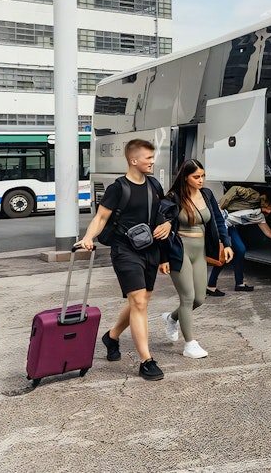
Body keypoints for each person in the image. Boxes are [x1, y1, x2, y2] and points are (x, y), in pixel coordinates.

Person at [78, 139, 172, 382]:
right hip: (125, 250)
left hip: (150, 249)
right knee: (139, 302)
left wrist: (167, 226)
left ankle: (111, 336)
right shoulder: (117, 188)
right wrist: (88, 237)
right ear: (134, 161)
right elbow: (101, 218)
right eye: (148, 158)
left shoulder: (154, 184)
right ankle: (146, 361)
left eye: (152, 158)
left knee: (139, 301)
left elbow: (162, 213)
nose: (152, 162)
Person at [160, 159, 233, 359]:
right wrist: (163, 258)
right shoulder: (172, 198)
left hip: (200, 251)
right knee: (187, 297)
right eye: (196, 177)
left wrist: (226, 244)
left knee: (199, 299)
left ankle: (172, 318)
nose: (201, 180)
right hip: (179, 250)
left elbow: (218, 220)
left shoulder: (207, 195)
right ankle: (190, 344)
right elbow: (164, 230)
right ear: (185, 178)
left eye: (203, 176)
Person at [206, 185, 271, 294]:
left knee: (240, 250)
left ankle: (239, 283)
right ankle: (211, 286)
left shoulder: (260, 217)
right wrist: (220, 206)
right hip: (220, 224)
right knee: (225, 254)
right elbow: (235, 189)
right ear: (268, 202)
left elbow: (269, 233)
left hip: (229, 226)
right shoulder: (254, 196)